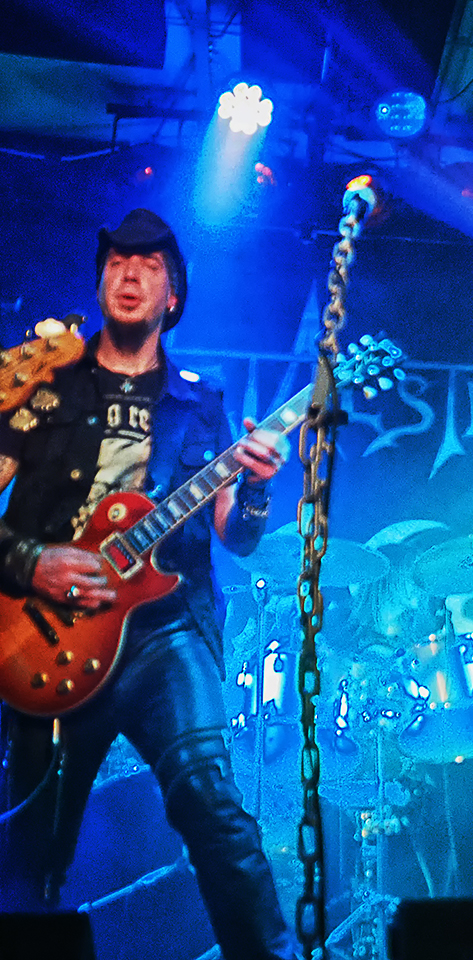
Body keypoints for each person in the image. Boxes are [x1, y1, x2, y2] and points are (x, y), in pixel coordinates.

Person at [0, 209, 297, 959]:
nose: (129, 273)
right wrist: (31, 561)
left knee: (210, 797)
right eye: (116, 262)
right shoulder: (44, 384)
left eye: (150, 264)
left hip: (165, 635)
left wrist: (257, 488)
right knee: (31, 847)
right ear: (100, 282)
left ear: (174, 296)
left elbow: (237, 536)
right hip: (48, 631)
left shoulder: (201, 401)